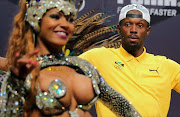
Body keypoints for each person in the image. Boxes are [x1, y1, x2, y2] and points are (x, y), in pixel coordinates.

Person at [0, 0, 141, 117]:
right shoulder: (24, 72)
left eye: (70, 19)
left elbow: (122, 106)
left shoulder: (84, 67)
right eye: (55, 17)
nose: (65, 24)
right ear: (35, 20)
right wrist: (16, 82)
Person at [79, 4, 180, 117]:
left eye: (140, 25)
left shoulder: (166, 66)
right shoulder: (98, 57)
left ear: (148, 30)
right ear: (119, 29)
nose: (133, 30)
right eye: (127, 24)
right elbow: (64, 71)